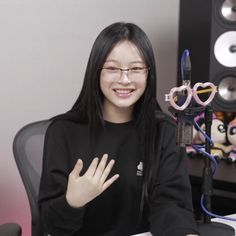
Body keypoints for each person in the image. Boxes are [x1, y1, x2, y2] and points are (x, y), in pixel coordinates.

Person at [38, 22, 199, 236]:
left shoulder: (165, 131)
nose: (125, 79)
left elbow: (171, 205)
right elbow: (50, 225)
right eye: (112, 68)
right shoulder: (63, 132)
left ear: (148, 74)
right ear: (96, 72)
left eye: (136, 69)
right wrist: (72, 202)